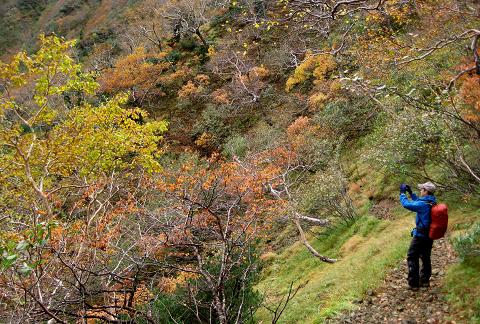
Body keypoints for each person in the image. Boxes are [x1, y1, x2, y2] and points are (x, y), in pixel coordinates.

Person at [399, 181, 437, 290]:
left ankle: (413, 283)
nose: (420, 190)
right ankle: (425, 281)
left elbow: (407, 204)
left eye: (422, 189)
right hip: (429, 235)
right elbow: (418, 202)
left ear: (426, 191)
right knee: (425, 256)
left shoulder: (422, 204)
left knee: (412, 256)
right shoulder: (431, 202)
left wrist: (402, 193)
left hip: (420, 235)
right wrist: (411, 193)